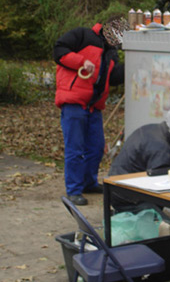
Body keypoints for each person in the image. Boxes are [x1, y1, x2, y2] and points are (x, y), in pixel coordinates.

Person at [53, 16, 129, 206]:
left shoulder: (111, 52)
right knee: (75, 149)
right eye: (117, 33)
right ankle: (74, 190)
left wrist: (134, 66)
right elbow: (59, 51)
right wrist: (81, 61)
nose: (118, 38)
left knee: (96, 148)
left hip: (94, 106)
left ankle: (88, 183)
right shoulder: (82, 35)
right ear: (107, 29)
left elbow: (112, 78)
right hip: (74, 102)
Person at [108, 105, 170, 210]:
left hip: (116, 184)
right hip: (128, 195)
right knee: (163, 217)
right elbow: (160, 181)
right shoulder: (161, 147)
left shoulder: (151, 129)